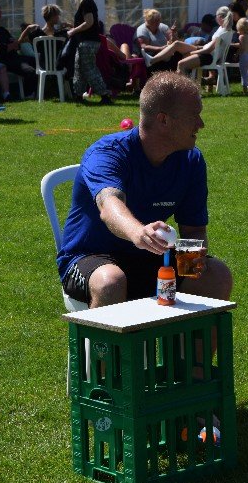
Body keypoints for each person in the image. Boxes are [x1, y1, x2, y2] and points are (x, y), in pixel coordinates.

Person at [56, 71, 232, 309]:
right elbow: (109, 206)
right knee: (111, 282)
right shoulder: (107, 153)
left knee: (216, 275)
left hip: (150, 258)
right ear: (163, 120)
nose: (201, 124)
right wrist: (139, 233)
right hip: (90, 258)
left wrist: (191, 271)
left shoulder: (191, 160)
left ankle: (181, 335)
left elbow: (194, 229)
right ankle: (100, 336)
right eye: (194, 115)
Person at [66, 0, 112, 105]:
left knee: (89, 68)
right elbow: (88, 23)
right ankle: (78, 95)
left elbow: (89, 22)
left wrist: (73, 31)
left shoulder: (86, 2)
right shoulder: (86, 2)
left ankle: (104, 94)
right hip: (86, 41)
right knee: (79, 68)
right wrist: (72, 26)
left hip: (88, 42)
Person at [0, 3, 38, 101]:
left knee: (36, 61)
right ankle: (28, 94)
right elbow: (2, 50)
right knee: (30, 71)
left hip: (15, 56)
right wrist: (23, 35)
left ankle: (43, 90)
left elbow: (15, 45)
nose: (0, 14)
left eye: (0, 12)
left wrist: (14, 44)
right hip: (5, 60)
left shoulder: (2, 30)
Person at [176, 6, 233, 76]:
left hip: (208, 57)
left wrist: (193, 52)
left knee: (181, 64)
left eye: (216, 16)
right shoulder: (226, 30)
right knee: (183, 54)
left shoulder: (222, 32)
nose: (215, 18)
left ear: (220, 17)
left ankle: (182, 82)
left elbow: (208, 50)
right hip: (210, 56)